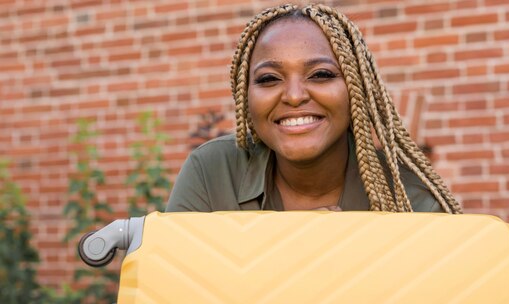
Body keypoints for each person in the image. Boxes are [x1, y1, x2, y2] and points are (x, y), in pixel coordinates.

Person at [166, 3, 462, 214]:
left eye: (321, 74)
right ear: (246, 96)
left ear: (355, 90)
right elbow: (169, 294)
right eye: (269, 79)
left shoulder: (408, 196)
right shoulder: (212, 173)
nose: (294, 96)